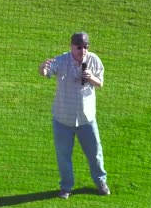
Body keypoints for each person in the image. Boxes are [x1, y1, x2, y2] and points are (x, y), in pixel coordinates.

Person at [38, 32, 110, 199]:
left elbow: (100, 83)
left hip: (86, 119)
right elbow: (46, 73)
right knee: (63, 156)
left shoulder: (94, 60)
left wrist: (91, 77)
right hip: (62, 119)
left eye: (85, 47)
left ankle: (101, 182)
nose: (82, 50)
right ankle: (66, 187)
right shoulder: (61, 60)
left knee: (95, 153)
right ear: (71, 46)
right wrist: (42, 68)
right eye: (79, 47)